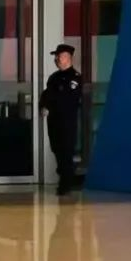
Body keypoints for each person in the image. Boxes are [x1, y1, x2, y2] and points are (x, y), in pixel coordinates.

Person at [41, 43, 83, 196]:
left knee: (66, 151)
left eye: (59, 56)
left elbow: (68, 98)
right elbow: (46, 94)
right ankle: (64, 179)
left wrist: (52, 103)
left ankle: (66, 184)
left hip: (66, 121)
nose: (57, 59)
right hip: (54, 121)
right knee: (57, 149)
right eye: (56, 57)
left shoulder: (75, 78)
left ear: (67, 57)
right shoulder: (54, 77)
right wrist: (44, 106)